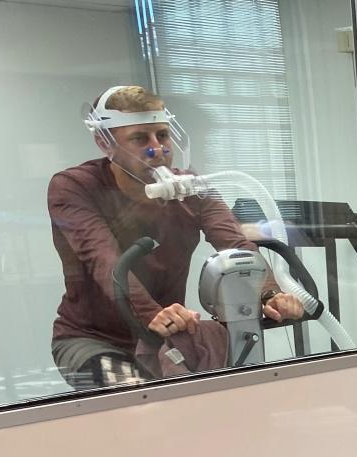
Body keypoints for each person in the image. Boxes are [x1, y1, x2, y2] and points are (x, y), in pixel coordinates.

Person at [48, 85, 303, 389]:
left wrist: (271, 294)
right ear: (104, 143)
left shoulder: (191, 187)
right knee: (140, 409)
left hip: (165, 337)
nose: (157, 149)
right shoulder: (74, 187)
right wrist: (151, 313)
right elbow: (104, 261)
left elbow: (235, 244)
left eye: (162, 135)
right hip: (95, 339)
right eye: (140, 138)